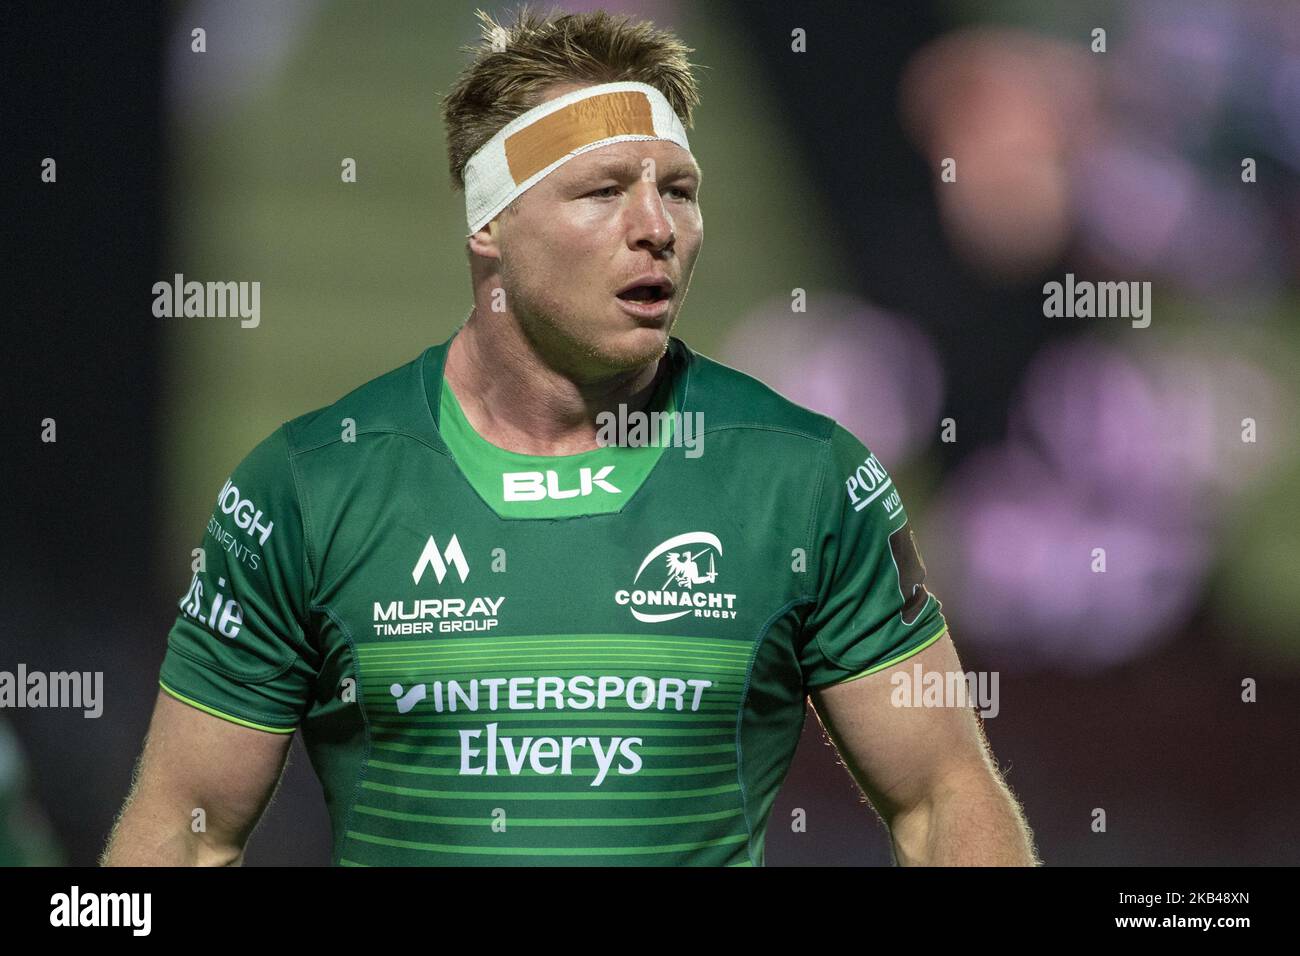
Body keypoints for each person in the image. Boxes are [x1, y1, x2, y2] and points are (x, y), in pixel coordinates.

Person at [104, 6, 1036, 867]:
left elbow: (944, 796)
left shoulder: (808, 479)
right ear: (491, 227)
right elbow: (188, 830)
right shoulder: (306, 488)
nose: (656, 228)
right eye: (603, 192)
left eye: (678, 189)